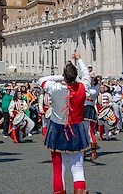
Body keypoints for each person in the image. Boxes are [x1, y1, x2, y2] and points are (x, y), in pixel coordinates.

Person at [38, 52, 91, 194]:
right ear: (75, 76)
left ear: (64, 76)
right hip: (77, 129)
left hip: (57, 130)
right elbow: (86, 75)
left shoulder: (54, 88)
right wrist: (79, 59)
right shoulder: (83, 87)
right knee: (78, 168)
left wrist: (60, 77)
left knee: (58, 170)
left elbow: (41, 80)